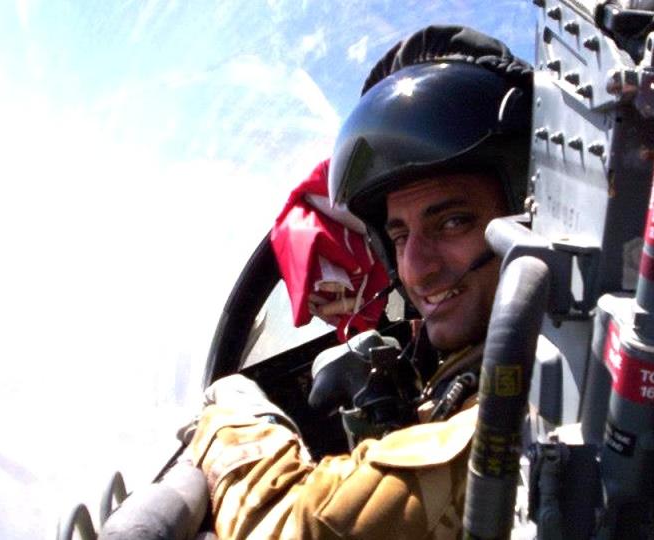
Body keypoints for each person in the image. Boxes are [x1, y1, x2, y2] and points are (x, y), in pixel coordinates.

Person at [186, 25, 533, 539]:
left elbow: (290, 527)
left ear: (529, 213)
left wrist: (232, 419)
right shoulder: (523, 352)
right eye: (398, 235)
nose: (417, 268)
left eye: (453, 221)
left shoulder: (507, 422)